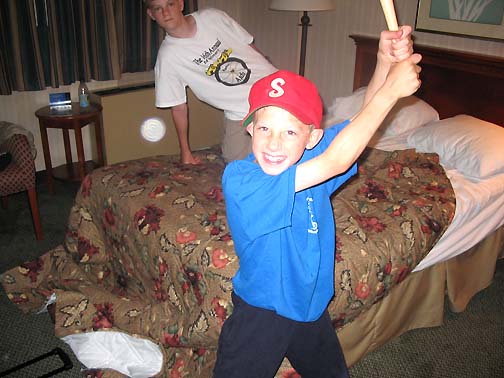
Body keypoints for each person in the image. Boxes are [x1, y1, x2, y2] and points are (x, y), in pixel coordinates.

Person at [213, 26, 421, 378]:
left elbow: (359, 127)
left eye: (290, 131)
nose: (274, 143)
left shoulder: (310, 158)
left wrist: (384, 63)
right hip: (263, 311)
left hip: (309, 304)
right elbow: (336, 160)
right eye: (264, 129)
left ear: (313, 138)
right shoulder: (242, 179)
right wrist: (391, 93)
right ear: (249, 128)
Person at [145, 0, 277, 164]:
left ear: (180, 4)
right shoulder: (168, 57)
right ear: (151, 15)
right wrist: (185, 152)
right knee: (234, 164)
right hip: (238, 112)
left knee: (279, 152)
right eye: (158, 8)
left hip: (272, 93)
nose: (165, 13)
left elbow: (248, 44)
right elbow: (178, 108)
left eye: (170, 4)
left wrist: (274, 73)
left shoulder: (211, 18)